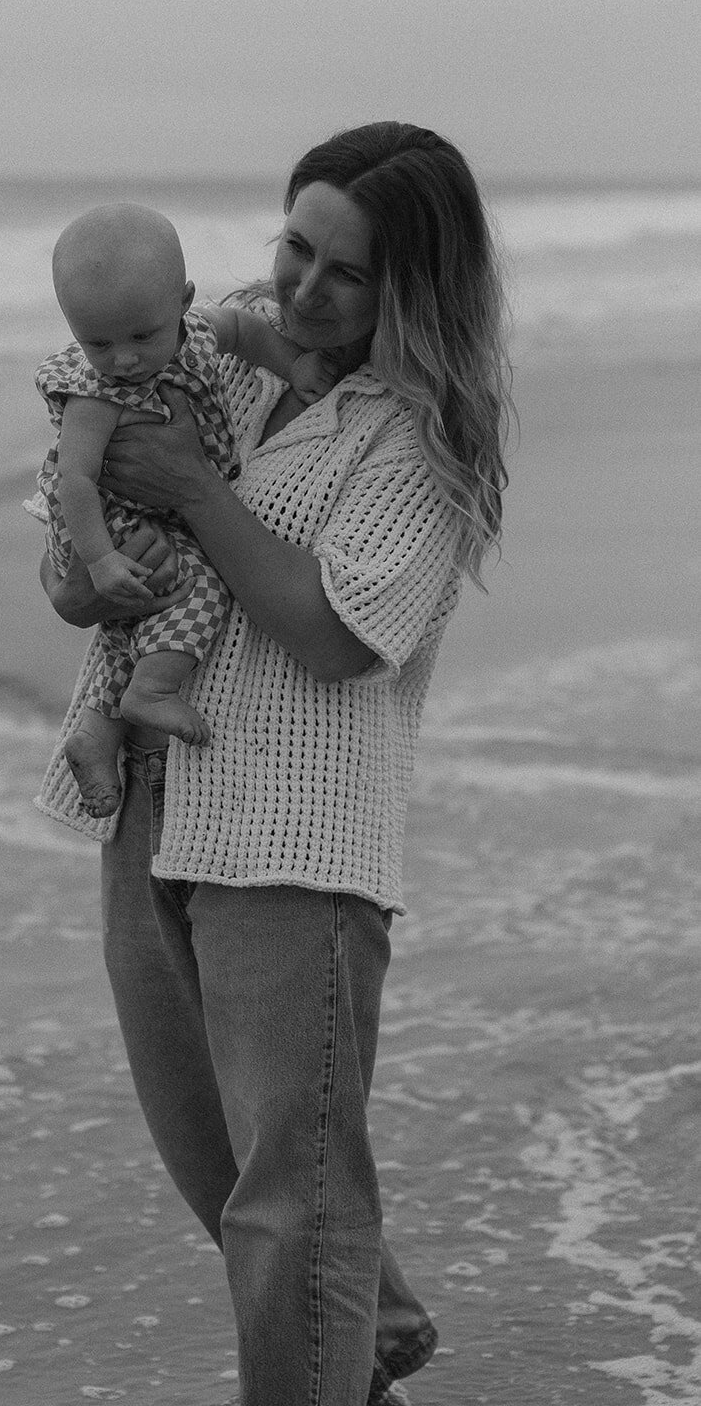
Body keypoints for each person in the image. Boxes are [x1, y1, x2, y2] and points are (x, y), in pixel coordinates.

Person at [37, 123, 512, 1406]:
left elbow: (328, 630)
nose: (301, 289)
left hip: (291, 840)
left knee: (286, 1214)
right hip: (147, 799)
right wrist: (85, 552)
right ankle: (371, 1331)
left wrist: (192, 492)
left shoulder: (419, 440)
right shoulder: (214, 363)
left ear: (411, 290)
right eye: (293, 246)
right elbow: (75, 577)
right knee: (211, 1168)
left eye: (344, 272)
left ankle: (340, 1344)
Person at [33, 201, 336, 817]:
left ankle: (97, 729)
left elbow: (247, 333)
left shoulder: (198, 332)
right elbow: (73, 483)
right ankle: (151, 690)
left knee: (138, 621)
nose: (123, 360)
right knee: (196, 588)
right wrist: (97, 563)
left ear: (183, 301)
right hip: (105, 518)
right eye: (97, 342)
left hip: (149, 510)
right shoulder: (97, 392)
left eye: (142, 337)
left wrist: (291, 365)